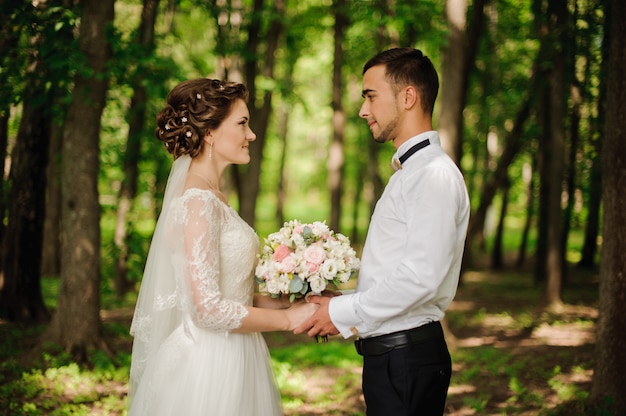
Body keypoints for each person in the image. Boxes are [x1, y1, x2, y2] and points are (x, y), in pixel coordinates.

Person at [295, 48, 470, 415]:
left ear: (408, 97)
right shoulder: (411, 173)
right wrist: (338, 299)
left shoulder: (432, 175)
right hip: (393, 360)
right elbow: (397, 272)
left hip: (405, 361)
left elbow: (419, 278)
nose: (363, 110)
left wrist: (341, 311)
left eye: (370, 96)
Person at [128, 78, 318, 415]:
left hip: (237, 352)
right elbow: (206, 310)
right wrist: (289, 320)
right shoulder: (198, 202)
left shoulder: (212, 197)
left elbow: (231, 296)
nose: (251, 135)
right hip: (210, 365)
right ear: (210, 133)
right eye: (242, 124)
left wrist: (286, 301)